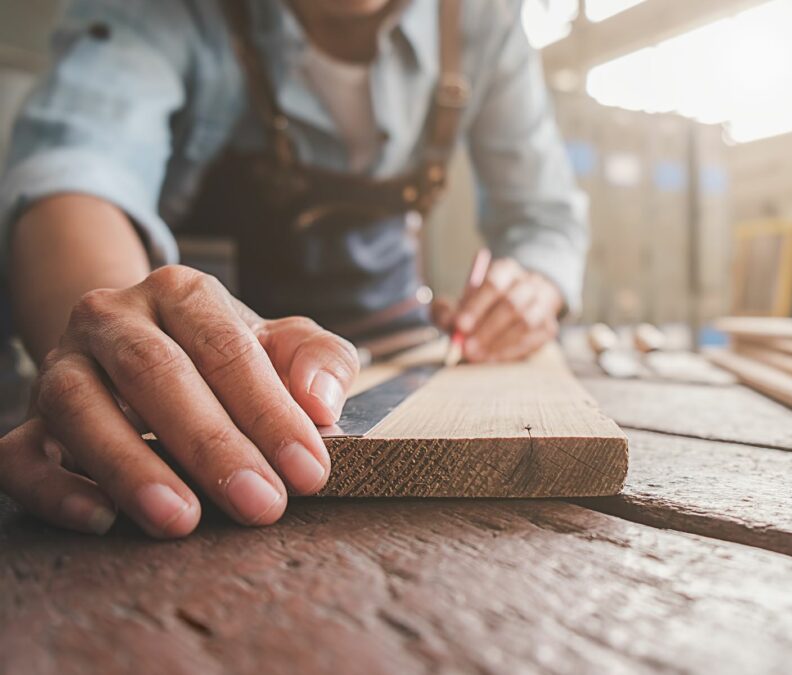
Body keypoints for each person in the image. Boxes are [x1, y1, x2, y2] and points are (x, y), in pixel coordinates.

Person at [0, 0, 587, 538]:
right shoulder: (165, 12)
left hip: (398, 338)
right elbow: (77, 171)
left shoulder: (484, 18)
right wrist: (125, 350)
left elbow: (544, 220)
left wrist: (535, 284)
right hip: (222, 357)